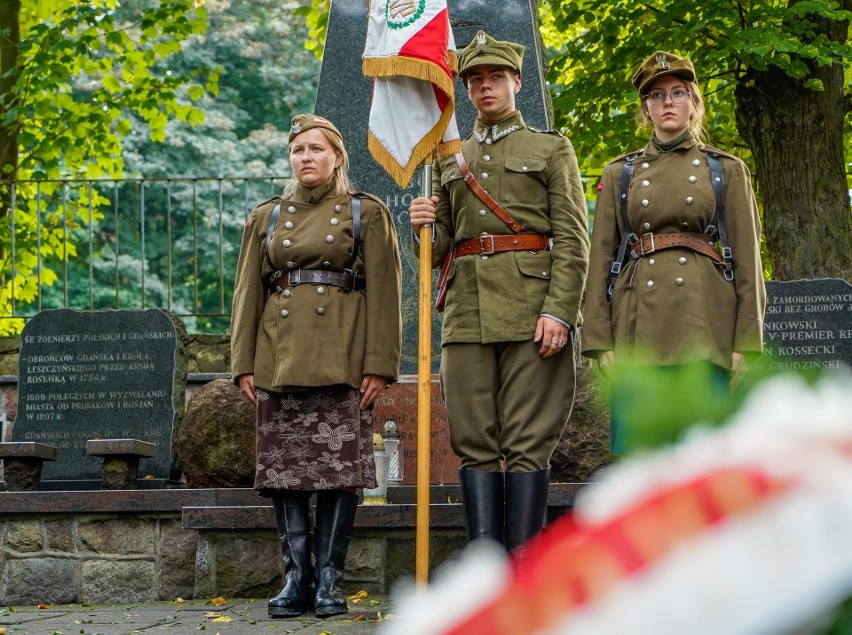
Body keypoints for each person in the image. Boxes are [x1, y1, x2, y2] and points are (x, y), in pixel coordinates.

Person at [408, 31, 590, 552]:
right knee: (473, 440)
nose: (484, 88)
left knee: (529, 443)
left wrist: (560, 310)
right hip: (467, 313)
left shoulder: (550, 148)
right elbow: (439, 249)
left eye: (494, 78)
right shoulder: (447, 155)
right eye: (474, 81)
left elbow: (573, 238)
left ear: (515, 81)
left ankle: (522, 576)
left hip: (534, 310)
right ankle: (487, 573)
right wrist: (422, 224)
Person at [230, 114, 402, 618]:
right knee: (284, 474)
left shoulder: (365, 213)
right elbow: (247, 294)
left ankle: (329, 580)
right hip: (279, 357)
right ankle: (295, 579)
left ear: (337, 157)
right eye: (298, 150)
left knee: (337, 472)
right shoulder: (266, 216)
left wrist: (379, 364)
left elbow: (385, 294)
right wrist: (243, 362)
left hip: (342, 357)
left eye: (316, 149)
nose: (306, 157)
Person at [582, 51, 766, 451]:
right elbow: (601, 259)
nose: (668, 102)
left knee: (704, 457)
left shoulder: (725, 169)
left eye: (678, 92)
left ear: (693, 102)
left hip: (705, 325)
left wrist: (745, 343)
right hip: (636, 329)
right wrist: (600, 339)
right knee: (640, 455)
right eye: (657, 95)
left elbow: (748, 261)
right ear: (645, 110)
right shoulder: (621, 172)